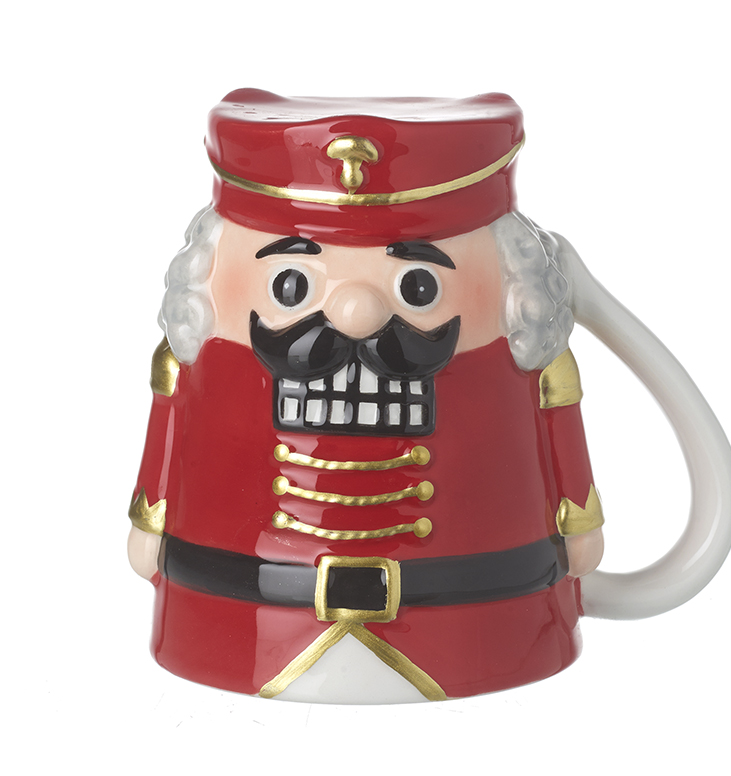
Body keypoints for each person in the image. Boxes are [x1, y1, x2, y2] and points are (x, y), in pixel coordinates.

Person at [128, 89, 604, 702]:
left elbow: (557, 426)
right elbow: (169, 419)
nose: (355, 313)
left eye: (420, 286)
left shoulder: (532, 364)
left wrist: (579, 523)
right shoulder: (194, 357)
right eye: (292, 284)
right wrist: (150, 518)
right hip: (237, 631)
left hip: (476, 628)